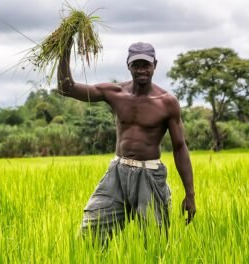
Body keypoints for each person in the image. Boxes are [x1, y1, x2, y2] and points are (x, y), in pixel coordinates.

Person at [57, 42, 196, 243]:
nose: (141, 70)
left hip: (149, 175)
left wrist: (190, 194)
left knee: (154, 243)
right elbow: (66, 88)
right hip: (117, 173)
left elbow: (180, 147)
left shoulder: (167, 102)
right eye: (136, 65)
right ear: (128, 66)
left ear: (155, 65)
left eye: (146, 65)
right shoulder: (115, 93)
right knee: (89, 237)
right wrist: (65, 47)